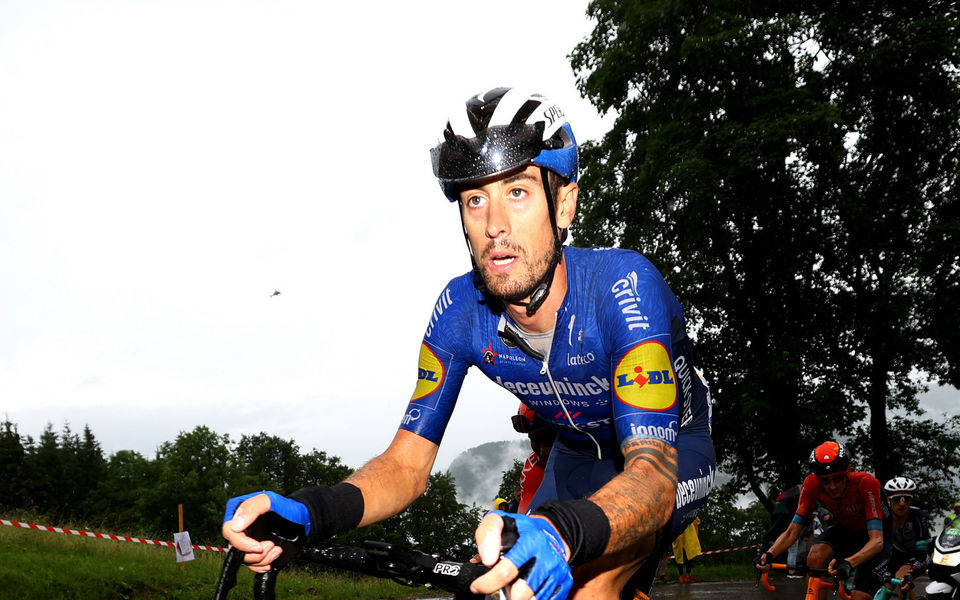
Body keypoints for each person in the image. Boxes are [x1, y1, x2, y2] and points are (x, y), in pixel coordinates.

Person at [221, 87, 716, 600]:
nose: (494, 225)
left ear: (564, 204)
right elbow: (407, 466)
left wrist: (565, 532)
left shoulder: (623, 287)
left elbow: (653, 476)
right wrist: (312, 511)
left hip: (671, 452)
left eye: (518, 192)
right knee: (515, 585)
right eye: (475, 199)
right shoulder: (459, 312)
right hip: (572, 455)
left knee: (591, 586)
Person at [755, 441, 890, 600]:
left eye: (838, 478)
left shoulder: (866, 483)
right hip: (846, 528)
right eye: (825, 480)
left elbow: (877, 541)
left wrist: (849, 562)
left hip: (876, 535)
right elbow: (792, 531)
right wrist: (769, 554)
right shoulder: (811, 484)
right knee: (815, 557)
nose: (832, 486)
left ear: (848, 470)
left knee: (859, 596)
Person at [883, 477, 930, 600]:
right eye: (897, 499)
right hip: (893, 557)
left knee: (903, 582)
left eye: (906, 499)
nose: (902, 503)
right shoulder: (884, 516)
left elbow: (923, 553)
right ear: (889, 500)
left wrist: (911, 572)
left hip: (915, 557)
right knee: (884, 589)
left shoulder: (918, 515)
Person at [671, 516, 702, 583]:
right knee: (679, 553)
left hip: (688, 530)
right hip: (677, 532)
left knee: (690, 551)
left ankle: (688, 574)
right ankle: (681, 576)